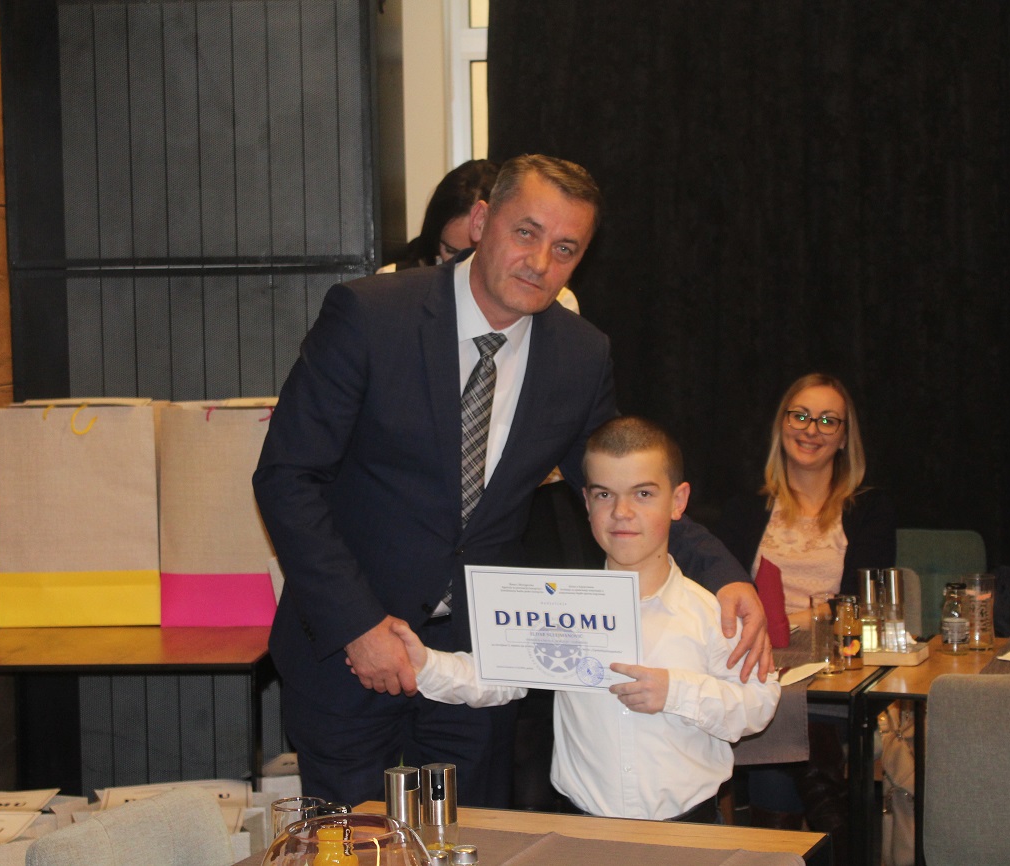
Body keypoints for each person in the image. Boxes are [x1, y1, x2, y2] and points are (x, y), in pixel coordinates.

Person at [253, 154, 771, 809]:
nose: (540, 262)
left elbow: (621, 488)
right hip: (347, 648)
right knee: (354, 845)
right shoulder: (370, 314)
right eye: (526, 232)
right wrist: (357, 624)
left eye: (565, 248)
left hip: (480, 661)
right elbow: (287, 478)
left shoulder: (579, 355)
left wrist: (724, 575)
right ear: (480, 221)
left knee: (472, 841)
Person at [388, 416, 781, 821]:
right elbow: (494, 678)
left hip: (691, 832)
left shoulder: (714, 613)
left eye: (643, 493)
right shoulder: (559, 608)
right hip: (583, 831)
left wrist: (676, 693)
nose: (622, 512)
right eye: (605, 495)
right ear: (587, 503)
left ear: (678, 501)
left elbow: (758, 705)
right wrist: (425, 664)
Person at [716, 373, 895, 861]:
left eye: (827, 420)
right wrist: (808, 612)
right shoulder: (745, 508)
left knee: (788, 723)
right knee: (781, 713)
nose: (811, 429)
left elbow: (864, 602)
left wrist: (789, 616)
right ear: (782, 425)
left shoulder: (869, 508)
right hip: (760, 664)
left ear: (844, 437)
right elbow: (719, 594)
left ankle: (782, 853)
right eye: (800, 416)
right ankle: (839, 841)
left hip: (839, 670)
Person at [380, 159, 580, 313]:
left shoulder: (558, 304)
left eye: (476, 252)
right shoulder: (390, 287)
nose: (465, 264)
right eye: (451, 251)